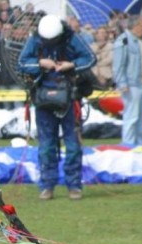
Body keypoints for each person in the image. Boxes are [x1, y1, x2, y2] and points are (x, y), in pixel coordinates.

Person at [18, 14, 96, 200]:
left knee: (73, 144)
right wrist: (40, 63)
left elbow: (90, 58)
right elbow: (22, 63)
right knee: (46, 145)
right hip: (43, 99)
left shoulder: (72, 38)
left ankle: (74, 185)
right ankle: (47, 186)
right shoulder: (35, 39)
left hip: (70, 97)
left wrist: (71, 64)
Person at [113, 16, 142, 145]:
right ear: (135, 26)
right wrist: (122, 83)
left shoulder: (141, 40)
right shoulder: (123, 40)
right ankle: (128, 143)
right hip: (131, 84)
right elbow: (118, 65)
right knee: (131, 115)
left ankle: (140, 142)